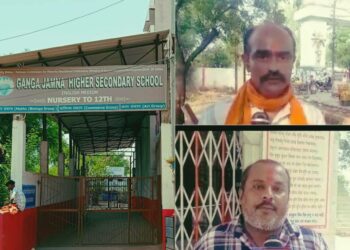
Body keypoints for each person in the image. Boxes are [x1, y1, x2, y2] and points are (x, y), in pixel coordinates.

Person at [194, 159, 328, 249]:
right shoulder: (211, 242)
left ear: (288, 199)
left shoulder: (312, 243)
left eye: (277, 189)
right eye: (258, 187)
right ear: (241, 196)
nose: (268, 195)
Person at [225, 22, 325, 125]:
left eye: (283, 57)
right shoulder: (216, 117)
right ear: (247, 62)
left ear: (293, 62)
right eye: (263, 57)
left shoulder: (313, 118)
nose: (274, 68)